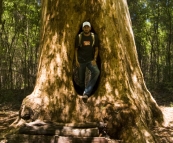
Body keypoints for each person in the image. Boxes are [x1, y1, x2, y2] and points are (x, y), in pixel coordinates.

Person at [75, 21, 100, 99]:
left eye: (87, 27)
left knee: (96, 72)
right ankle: (82, 92)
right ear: (82, 28)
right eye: (85, 27)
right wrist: (76, 60)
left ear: (90, 28)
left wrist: (94, 59)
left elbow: (96, 49)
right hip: (81, 61)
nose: (86, 28)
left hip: (90, 60)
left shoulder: (94, 37)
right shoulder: (79, 37)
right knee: (81, 80)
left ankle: (86, 92)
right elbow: (76, 49)